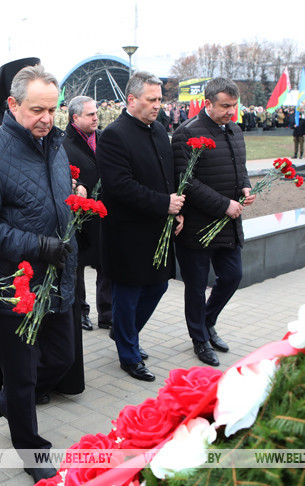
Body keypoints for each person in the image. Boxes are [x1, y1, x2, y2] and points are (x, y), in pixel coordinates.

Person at [0, 64, 73, 482]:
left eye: (52, 109)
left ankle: (10, 400)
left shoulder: (55, 144)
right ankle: (32, 450)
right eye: (36, 110)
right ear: (12, 104)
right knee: (24, 374)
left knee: (61, 359)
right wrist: (37, 245)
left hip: (58, 278)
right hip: (16, 283)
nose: (46, 118)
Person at [97, 72, 182, 381]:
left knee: (158, 285)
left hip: (158, 228)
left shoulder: (159, 131)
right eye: (151, 100)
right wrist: (164, 204)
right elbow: (119, 186)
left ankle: (124, 333)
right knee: (128, 293)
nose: (157, 105)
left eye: (160, 99)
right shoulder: (114, 135)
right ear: (131, 100)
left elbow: (168, 175)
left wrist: (176, 210)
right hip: (127, 233)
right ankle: (129, 355)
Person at [173, 77, 255, 367]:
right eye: (225, 106)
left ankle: (207, 323)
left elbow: (240, 168)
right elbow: (187, 182)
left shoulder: (234, 130)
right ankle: (199, 339)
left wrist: (246, 187)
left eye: (234, 106)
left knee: (232, 276)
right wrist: (224, 205)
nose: (231, 112)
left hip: (228, 225)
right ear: (207, 103)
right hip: (198, 226)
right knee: (195, 286)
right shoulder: (186, 133)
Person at [63, 96, 112, 331]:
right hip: (78, 214)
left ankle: (107, 312)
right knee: (78, 265)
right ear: (75, 118)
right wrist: (78, 183)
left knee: (105, 263)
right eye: (90, 114)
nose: (96, 118)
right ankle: (81, 310)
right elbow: (63, 174)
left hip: (103, 211)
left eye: (96, 113)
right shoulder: (63, 144)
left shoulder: (104, 138)